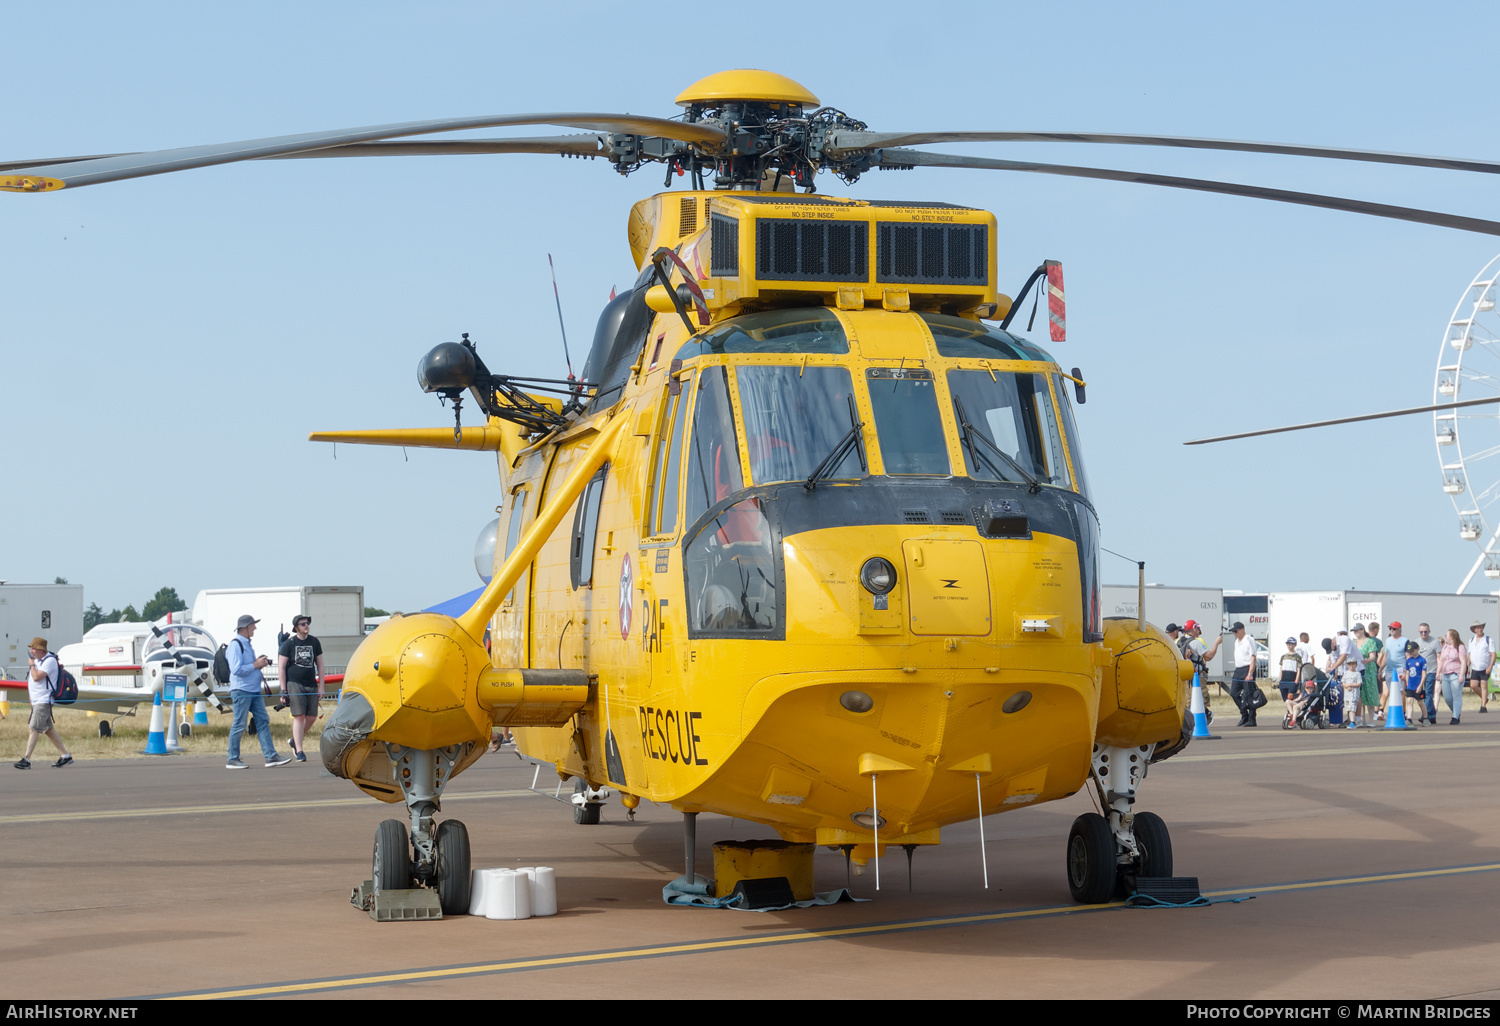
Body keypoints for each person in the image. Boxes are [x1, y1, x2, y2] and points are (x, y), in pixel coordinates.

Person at [227, 615, 291, 770]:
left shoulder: (246, 644)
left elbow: (244, 667)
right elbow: (235, 669)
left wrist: (257, 664)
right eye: (252, 625)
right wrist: (255, 665)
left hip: (253, 690)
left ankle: (271, 756)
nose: (255, 628)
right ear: (244, 628)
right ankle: (232, 758)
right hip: (242, 690)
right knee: (239, 723)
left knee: (262, 720)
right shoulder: (235, 645)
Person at [15, 638, 72, 769]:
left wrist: (32, 665)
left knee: (33, 728)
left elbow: (36, 677)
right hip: (36, 701)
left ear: (41, 650)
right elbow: (32, 682)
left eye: (33, 648)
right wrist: (31, 700)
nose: (31, 651)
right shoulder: (37, 661)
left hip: (44, 700)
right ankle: (65, 755)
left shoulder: (49, 661)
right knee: (48, 730)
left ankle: (26, 759)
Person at [277, 614, 325, 763]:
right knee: (299, 716)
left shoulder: (314, 642)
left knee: (311, 717)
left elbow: (320, 665)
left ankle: (294, 740)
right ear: (296, 628)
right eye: (302, 624)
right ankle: (299, 750)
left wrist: (321, 686)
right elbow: (281, 667)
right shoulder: (289, 644)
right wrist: (283, 689)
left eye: (307, 623)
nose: (306, 626)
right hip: (294, 683)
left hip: (311, 683)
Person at [1228, 621, 1259, 726]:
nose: (1234, 633)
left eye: (1236, 631)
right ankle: (1244, 714)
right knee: (1234, 693)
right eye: (1233, 632)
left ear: (1242, 629)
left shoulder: (1249, 639)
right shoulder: (1236, 642)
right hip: (1238, 669)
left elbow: (1253, 657)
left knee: (1249, 694)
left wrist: (1250, 673)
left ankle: (1251, 719)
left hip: (1247, 668)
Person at [1440, 628, 1469, 724]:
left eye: (1446, 635)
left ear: (1452, 636)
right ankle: (1456, 711)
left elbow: (1463, 662)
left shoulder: (1460, 647)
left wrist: (1461, 675)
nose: (1445, 637)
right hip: (1445, 674)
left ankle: (1455, 717)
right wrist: (1438, 672)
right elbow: (1441, 661)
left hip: (1456, 674)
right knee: (1447, 697)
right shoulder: (1445, 647)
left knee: (1456, 696)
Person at [1416, 623, 1442, 725]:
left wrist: (1438, 672)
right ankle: (1431, 715)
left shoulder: (1435, 642)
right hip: (1418, 673)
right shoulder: (1416, 642)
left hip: (1431, 671)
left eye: (1425, 632)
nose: (1423, 633)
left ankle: (1425, 716)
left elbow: (1439, 658)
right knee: (1420, 695)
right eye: (1421, 632)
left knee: (1428, 694)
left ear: (1429, 631)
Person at [1468, 620, 1493, 714]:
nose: (1480, 629)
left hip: (1485, 666)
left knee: (1484, 685)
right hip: (1475, 667)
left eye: (1481, 627)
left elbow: (1493, 654)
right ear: (1474, 630)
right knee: (1473, 685)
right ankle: (1484, 698)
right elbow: (1469, 654)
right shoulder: (1471, 640)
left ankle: (1483, 706)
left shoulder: (1488, 639)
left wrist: (1490, 666)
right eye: (1478, 628)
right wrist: (1468, 666)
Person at [1400, 640, 1427, 725]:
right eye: (1410, 651)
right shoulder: (1408, 661)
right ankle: (1409, 719)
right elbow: (1407, 673)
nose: (1411, 653)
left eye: (1413, 650)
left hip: (1418, 685)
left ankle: (1426, 718)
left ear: (1417, 649)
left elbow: (1424, 674)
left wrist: (1420, 686)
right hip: (1410, 685)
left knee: (1420, 702)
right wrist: (1407, 683)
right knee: (1409, 701)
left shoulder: (1422, 660)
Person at [1276, 637, 1301, 702]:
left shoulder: (1297, 657)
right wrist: (1280, 680)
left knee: (1290, 698)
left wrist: (1296, 680)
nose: (1289, 646)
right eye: (1288, 644)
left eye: (1291, 644)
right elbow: (1281, 669)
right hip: (1283, 681)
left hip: (1292, 681)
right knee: (1285, 699)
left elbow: (1298, 669)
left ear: (1295, 645)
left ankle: (1291, 711)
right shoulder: (1283, 657)